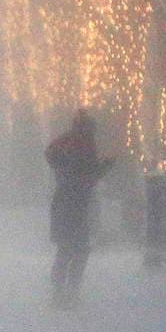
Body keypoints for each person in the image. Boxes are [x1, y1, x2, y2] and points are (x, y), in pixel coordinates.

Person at [46, 110, 113, 309]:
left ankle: (59, 291)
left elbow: (68, 169)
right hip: (77, 203)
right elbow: (89, 176)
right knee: (79, 249)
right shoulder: (84, 145)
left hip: (63, 202)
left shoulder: (63, 143)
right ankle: (70, 291)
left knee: (65, 248)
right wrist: (106, 166)